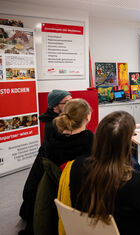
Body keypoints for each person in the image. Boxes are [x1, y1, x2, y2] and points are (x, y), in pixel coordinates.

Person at [57, 111, 140, 235]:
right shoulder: (135, 180)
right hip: (132, 229)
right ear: (127, 143)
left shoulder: (76, 166)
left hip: (90, 229)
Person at [19, 99, 94, 235]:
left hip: (50, 201)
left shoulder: (50, 142)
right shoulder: (90, 143)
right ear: (88, 117)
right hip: (80, 203)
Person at [38, 89, 72, 156]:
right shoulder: (53, 125)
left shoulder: (64, 118)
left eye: (71, 101)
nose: (71, 105)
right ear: (55, 106)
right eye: (67, 102)